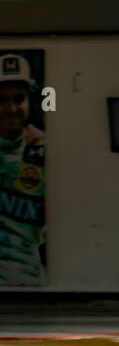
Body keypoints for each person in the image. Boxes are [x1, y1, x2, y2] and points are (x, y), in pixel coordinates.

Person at [0, 52, 46, 287]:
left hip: (26, 277)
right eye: (2, 100)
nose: (11, 108)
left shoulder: (45, 151)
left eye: (18, 99)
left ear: (29, 101)